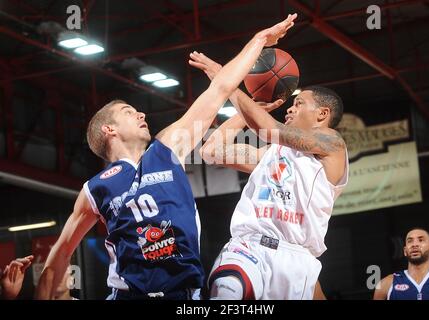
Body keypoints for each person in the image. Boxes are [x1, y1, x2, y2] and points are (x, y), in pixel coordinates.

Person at [35, 14, 298, 300]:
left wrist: (259, 40)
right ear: (108, 130)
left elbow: (218, 89)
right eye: (128, 112)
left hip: (183, 295)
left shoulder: (166, 150)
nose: (141, 113)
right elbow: (60, 255)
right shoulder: (94, 189)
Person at [190, 52, 348, 300]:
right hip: (247, 247)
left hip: (296, 259)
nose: (290, 108)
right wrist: (244, 113)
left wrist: (226, 81)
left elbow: (270, 129)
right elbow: (211, 151)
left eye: (299, 104)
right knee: (230, 289)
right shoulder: (271, 153)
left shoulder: (332, 144)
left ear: (322, 114)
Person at [373, 228, 429, 300]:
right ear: (405, 251)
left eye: (421, 240)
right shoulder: (386, 283)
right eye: (410, 241)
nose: (414, 245)